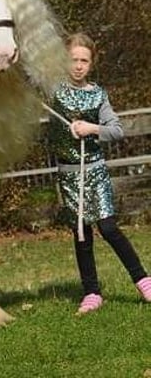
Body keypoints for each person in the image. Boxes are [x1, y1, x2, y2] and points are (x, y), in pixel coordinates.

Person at [49, 32, 151, 314]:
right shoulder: (54, 90)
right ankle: (91, 292)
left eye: (84, 60)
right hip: (69, 175)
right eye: (73, 59)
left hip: (94, 172)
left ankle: (143, 280)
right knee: (81, 232)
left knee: (108, 227)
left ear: (91, 63)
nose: (78, 65)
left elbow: (116, 130)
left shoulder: (98, 95)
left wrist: (91, 128)